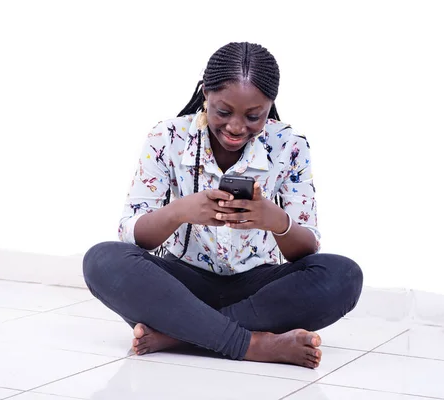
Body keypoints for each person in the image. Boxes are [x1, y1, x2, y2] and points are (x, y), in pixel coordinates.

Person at [83, 42, 363, 369]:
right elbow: (134, 235)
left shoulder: (290, 145)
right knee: (101, 260)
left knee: (344, 275)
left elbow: (306, 250)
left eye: (254, 115)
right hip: (180, 288)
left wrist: (276, 221)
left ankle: (181, 335)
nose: (235, 127)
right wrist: (180, 211)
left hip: (260, 292)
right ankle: (252, 344)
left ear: (270, 105)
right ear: (205, 94)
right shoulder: (167, 137)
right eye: (223, 111)